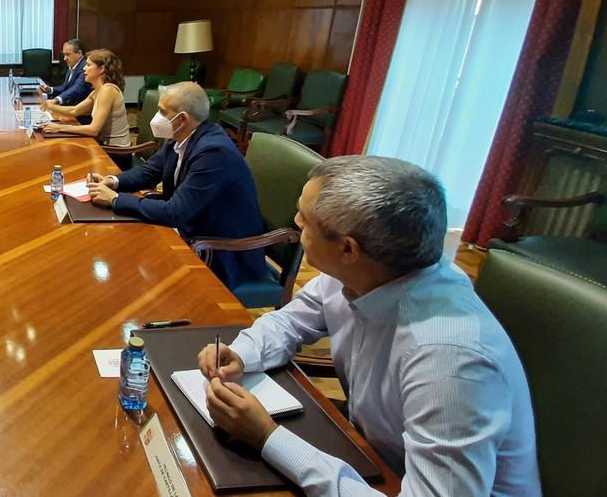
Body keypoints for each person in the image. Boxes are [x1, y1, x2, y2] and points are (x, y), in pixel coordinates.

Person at [198, 156, 539, 496]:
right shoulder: (367, 270)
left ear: (348, 248)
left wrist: (267, 438)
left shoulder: (448, 359)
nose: (296, 222)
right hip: (373, 459)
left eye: (305, 219)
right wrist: (242, 353)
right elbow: (292, 320)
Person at [86, 82, 266, 289]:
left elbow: (175, 213)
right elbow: (149, 172)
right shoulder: (181, 135)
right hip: (193, 225)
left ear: (182, 119)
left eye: (162, 112)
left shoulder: (214, 153)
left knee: (133, 271)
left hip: (222, 250)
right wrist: (112, 181)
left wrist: (116, 200)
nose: (157, 117)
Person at [40, 48, 133, 169]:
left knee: (67, 159)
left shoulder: (108, 91)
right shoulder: (97, 91)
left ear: (101, 69)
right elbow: (75, 111)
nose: (84, 68)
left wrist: (60, 127)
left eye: (88, 65)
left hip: (116, 154)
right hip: (104, 147)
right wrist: (50, 105)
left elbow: (94, 129)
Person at [39, 39, 91, 108]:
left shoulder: (85, 68)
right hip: (68, 107)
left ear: (79, 53)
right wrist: (51, 89)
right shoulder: (73, 66)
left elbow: (77, 89)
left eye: (68, 55)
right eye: (64, 55)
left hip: (77, 112)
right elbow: (65, 87)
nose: (64, 58)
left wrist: (57, 99)